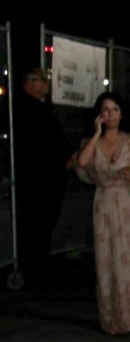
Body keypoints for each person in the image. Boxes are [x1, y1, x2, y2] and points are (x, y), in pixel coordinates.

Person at [74, 92, 130, 334]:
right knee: (108, 259)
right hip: (105, 204)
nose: (110, 115)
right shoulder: (92, 142)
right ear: (99, 115)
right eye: (106, 110)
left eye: (115, 109)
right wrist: (96, 134)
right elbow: (82, 162)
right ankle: (114, 320)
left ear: (122, 114)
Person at [12, 68, 72, 288]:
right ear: (29, 82)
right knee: (37, 224)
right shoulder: (28, 109)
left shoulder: (37, 108)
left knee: (42, 224)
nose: (46, 83)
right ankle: (35, 270)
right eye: (41, 80)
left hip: (45, 176)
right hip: (38, 178)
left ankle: (38, 267)